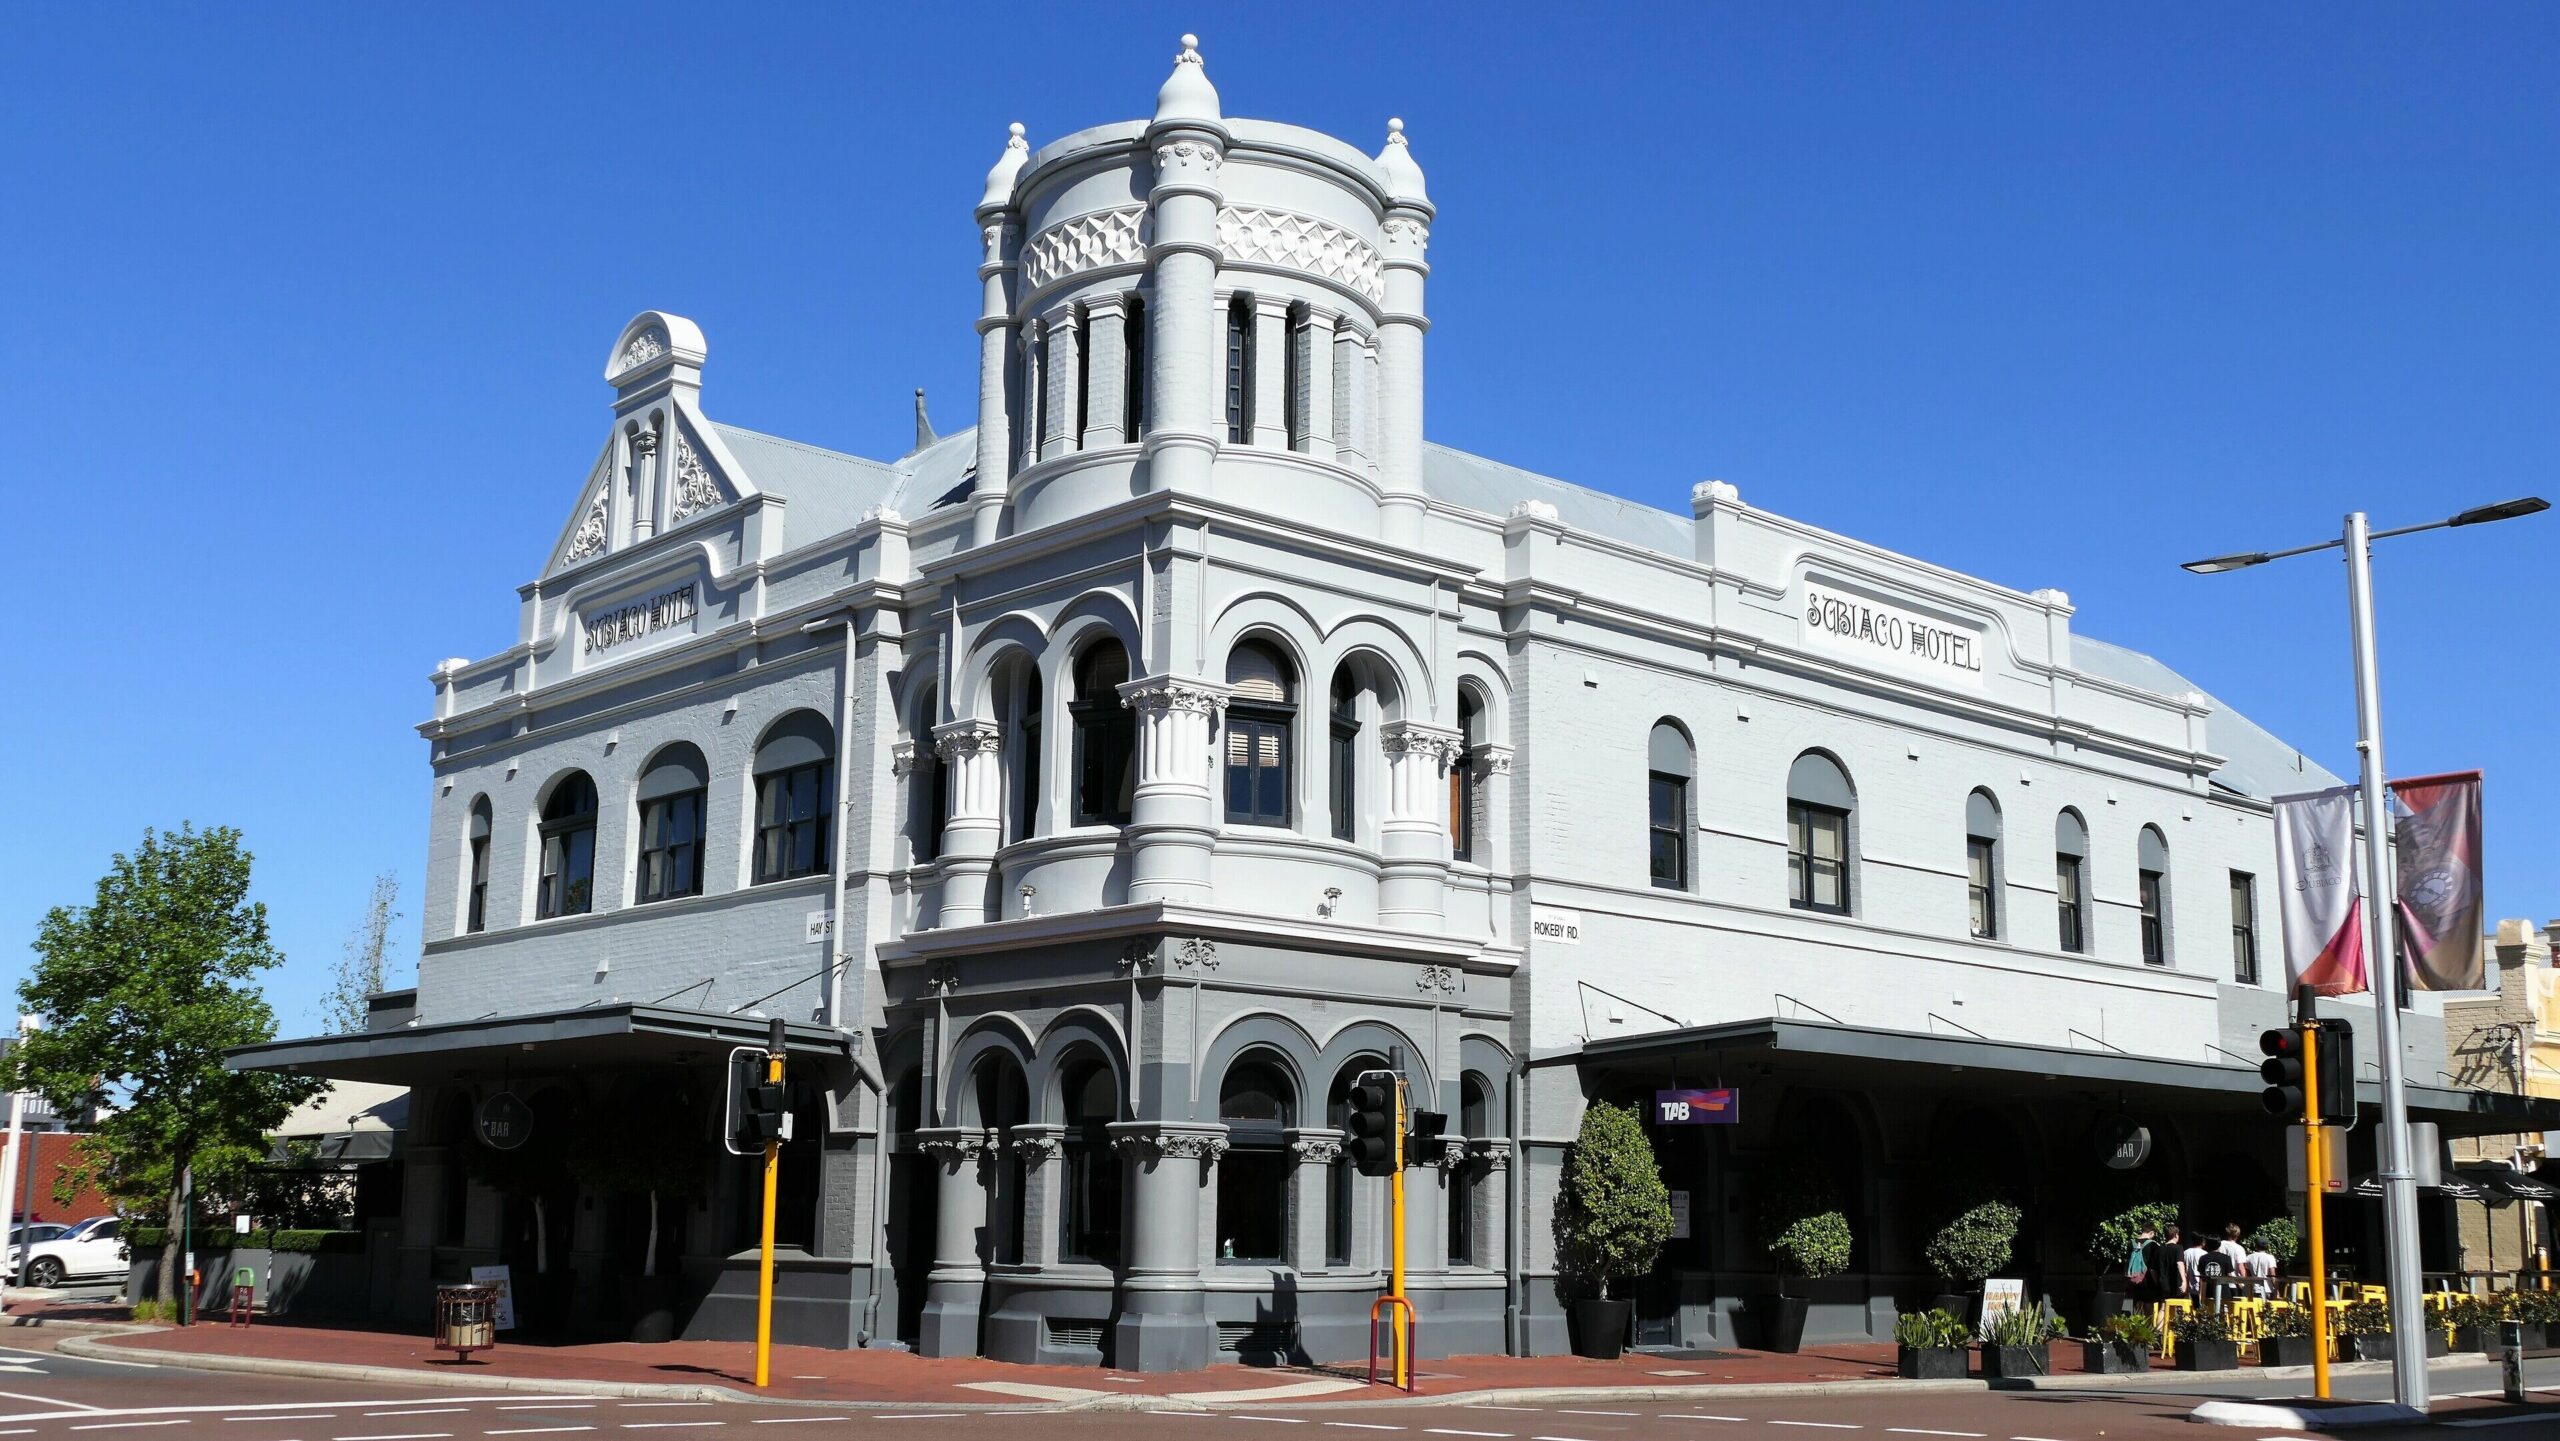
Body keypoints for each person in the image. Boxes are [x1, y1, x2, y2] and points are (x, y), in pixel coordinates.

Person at [2243, 1233, 2279, 1298]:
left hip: (2254, 1290)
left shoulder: (2249, 1257)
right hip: (2267, 1289)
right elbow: (2272, 1274)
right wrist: (2277, 1290)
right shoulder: (2270, 1258)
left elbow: (2247, 1275)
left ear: (2256, 1245)